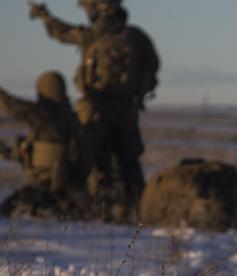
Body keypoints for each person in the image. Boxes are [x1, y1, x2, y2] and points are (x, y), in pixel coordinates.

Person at [28, 0, 160, 222]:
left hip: (94, 109)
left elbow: (61, 32)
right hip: (127, 109)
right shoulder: (137, 37)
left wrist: (45, 16)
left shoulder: (91, 36)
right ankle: (137, 210)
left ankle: (101, 211)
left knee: (97, 162)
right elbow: (153, 66)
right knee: (129, 162)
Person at [0, 68, 85, 217]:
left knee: (4, 211)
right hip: (69, 186)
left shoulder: (41, 113)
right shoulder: (73, 117)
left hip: (42, 184)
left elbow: (8, 104)